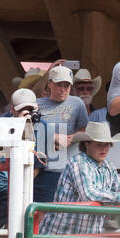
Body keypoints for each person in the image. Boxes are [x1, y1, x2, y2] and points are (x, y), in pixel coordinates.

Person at [33, 65, 90, 204]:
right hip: (44, 168)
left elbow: (84, 128)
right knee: (43, 209)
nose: (63, 89)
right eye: (59, 85)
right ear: (50, 84)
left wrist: (73, 137)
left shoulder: (77, 103)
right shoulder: (37, 105)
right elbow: (29, 129)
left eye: (67, 85)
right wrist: (55, 137)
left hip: (69, 166)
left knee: (66, 209)